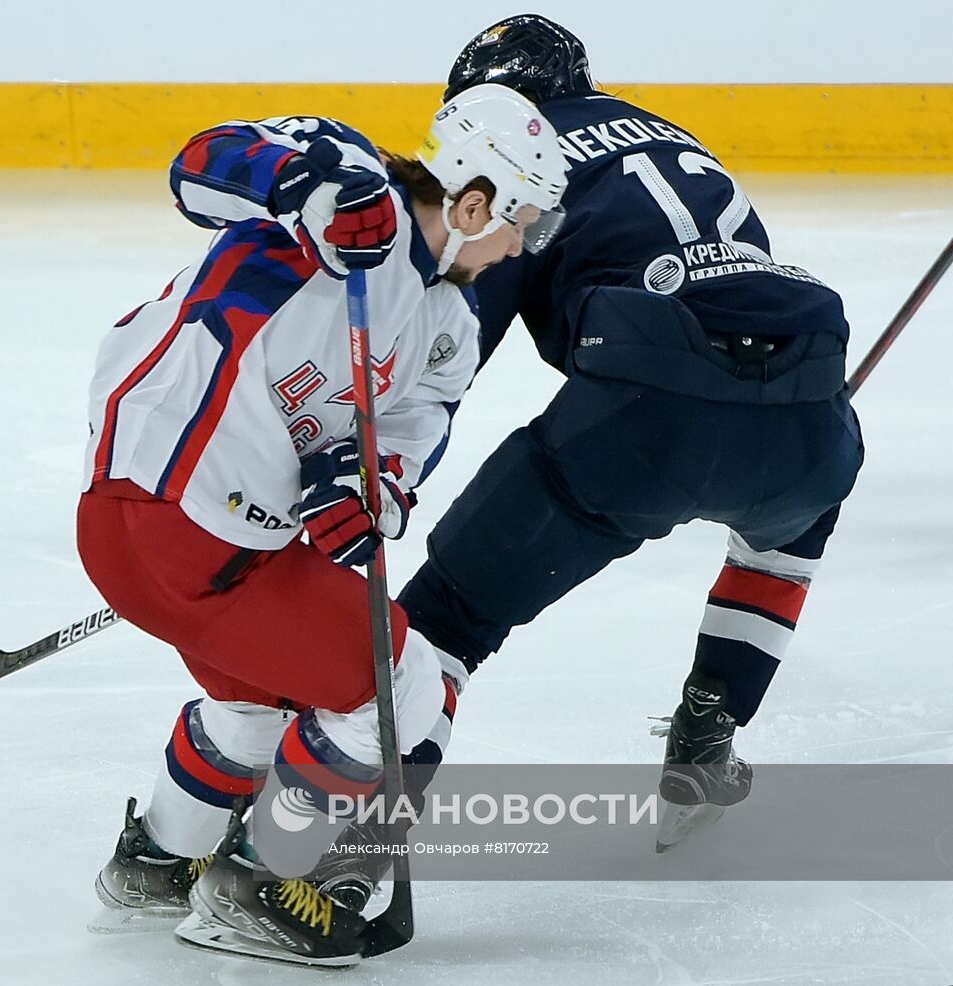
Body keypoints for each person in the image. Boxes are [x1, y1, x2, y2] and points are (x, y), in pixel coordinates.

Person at [76, 83, 568, 964]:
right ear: (472, 198)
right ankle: (265, 884)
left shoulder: (448, 323)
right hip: (169, 505)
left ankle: (162, 858)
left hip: (196, 547)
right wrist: (306, 184)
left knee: (256, 705)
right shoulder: (351, 177)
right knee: (400, 682)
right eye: (518, 224)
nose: (517, 249)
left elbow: (410, 435)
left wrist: (368, 486)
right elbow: (198, 166)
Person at [396, 15, 866, 849]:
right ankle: (708, 729)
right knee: (789, 531)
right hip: (808, 404)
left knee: (444, 622)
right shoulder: (667, 135)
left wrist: (373, 468)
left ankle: (325, 856)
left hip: (644, 421)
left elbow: (455, 340)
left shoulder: (523, 157)